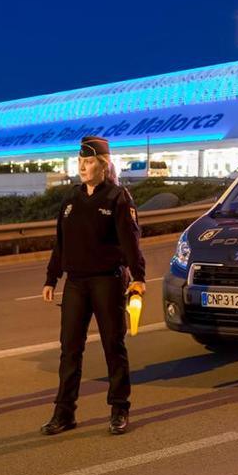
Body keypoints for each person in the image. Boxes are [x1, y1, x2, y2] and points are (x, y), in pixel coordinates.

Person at [41, 135, 146, 436]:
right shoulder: (71, 199)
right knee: (69, 350)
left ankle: (119, 408)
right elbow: (60, 243)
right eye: (80, 162)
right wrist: (52, 277)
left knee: (113, 345)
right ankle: (64, 413)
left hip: (107, 281)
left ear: (103, 165)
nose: (83, 167)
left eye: (89, 162)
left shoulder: (117, 197)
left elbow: (130, 242)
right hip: (75, 283)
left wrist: (138, 277)